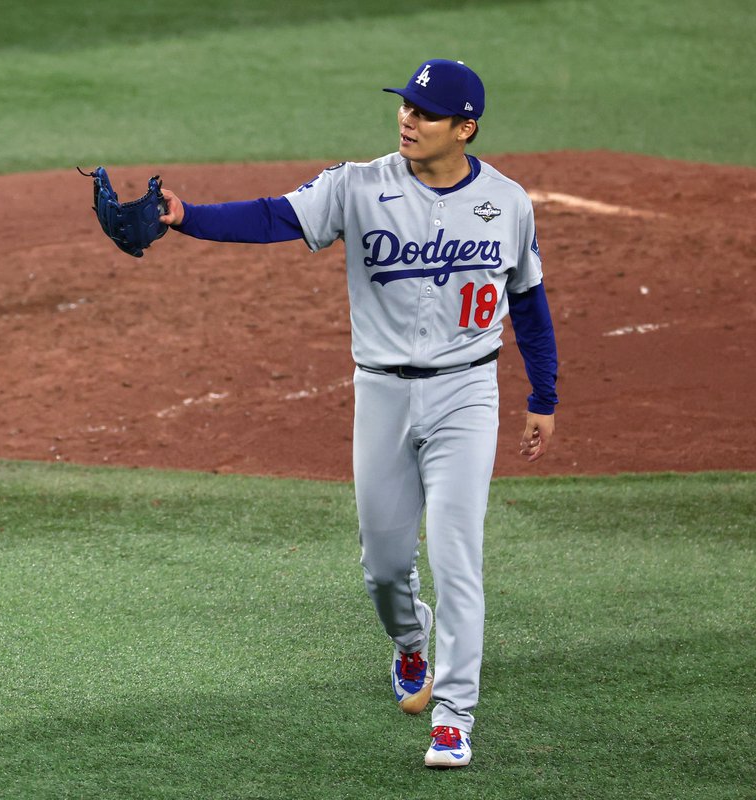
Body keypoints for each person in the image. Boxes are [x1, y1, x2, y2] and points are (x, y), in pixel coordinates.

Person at [156, 59, 558, 768]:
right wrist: (185, 218)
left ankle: (454, 716)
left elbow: (527, 299)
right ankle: (410, 639)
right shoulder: (358, 184)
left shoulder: (507, 201)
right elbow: (275, 216)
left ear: (464, 128)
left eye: (426, 113)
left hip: (468, 392)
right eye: (405, 106)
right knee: (383, 563)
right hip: (382, 392)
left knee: (457, 556)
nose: (408, 119)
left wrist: (544, 397)